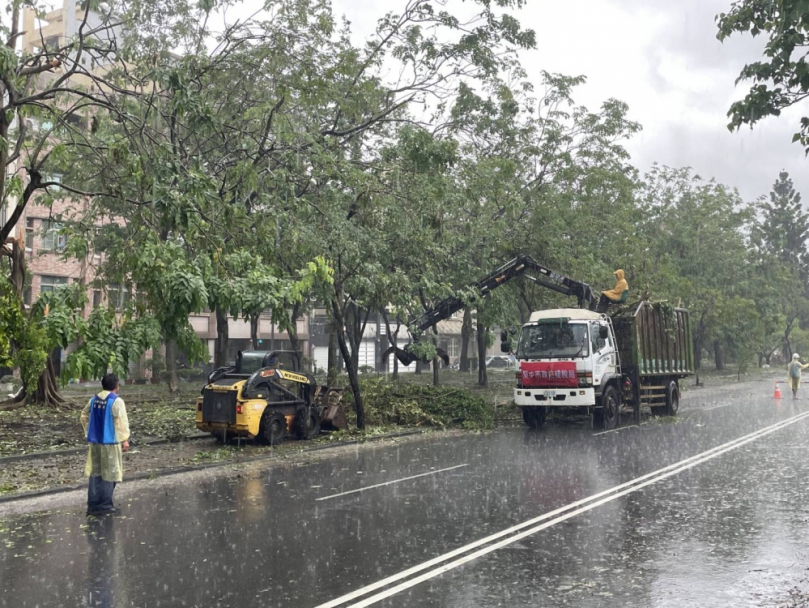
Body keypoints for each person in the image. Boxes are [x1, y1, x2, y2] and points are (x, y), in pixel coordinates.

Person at [80, 373, 130, 515]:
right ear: (116, 386)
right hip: (110, 443)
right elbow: (120, 421)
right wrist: (124, 439)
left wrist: (89, 430)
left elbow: (83, 415)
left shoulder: (94, 399)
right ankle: (105, 505)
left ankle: (93, 504)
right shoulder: (116, 401)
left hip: (95, 442)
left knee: (96, 473)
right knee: (110, 473)